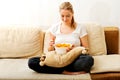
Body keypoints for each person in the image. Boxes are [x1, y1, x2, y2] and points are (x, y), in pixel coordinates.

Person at [28, 1, 94, 75]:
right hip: (57, 58)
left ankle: (57, 69)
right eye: (62, 16)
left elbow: (86, 49)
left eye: (68, 16)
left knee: (88, 60)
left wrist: (74, 49)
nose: (65, 19)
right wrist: (51, 45)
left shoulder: (80, 27)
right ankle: (65, 71)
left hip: (74, 59)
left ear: (72, 14)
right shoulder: (55, 28)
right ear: (59, 15)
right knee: (32, 62)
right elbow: (50, 50)